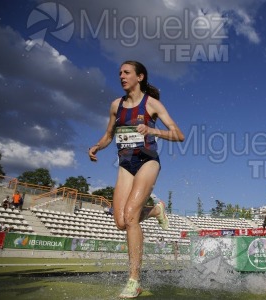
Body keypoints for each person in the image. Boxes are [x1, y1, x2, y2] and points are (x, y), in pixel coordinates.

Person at [88, 60, 184, 298]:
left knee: (131, 216)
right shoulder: (115, 105)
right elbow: (109, 134)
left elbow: (178, 135)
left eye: (127, 72)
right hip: (125, 164)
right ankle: (155, 210)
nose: (121, 76)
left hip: (147, 161)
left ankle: (134, 280)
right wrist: (97, 147)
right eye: (119, 72)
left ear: (139, 77)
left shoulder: (151, 104)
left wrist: (153, 131)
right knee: (120, 222)